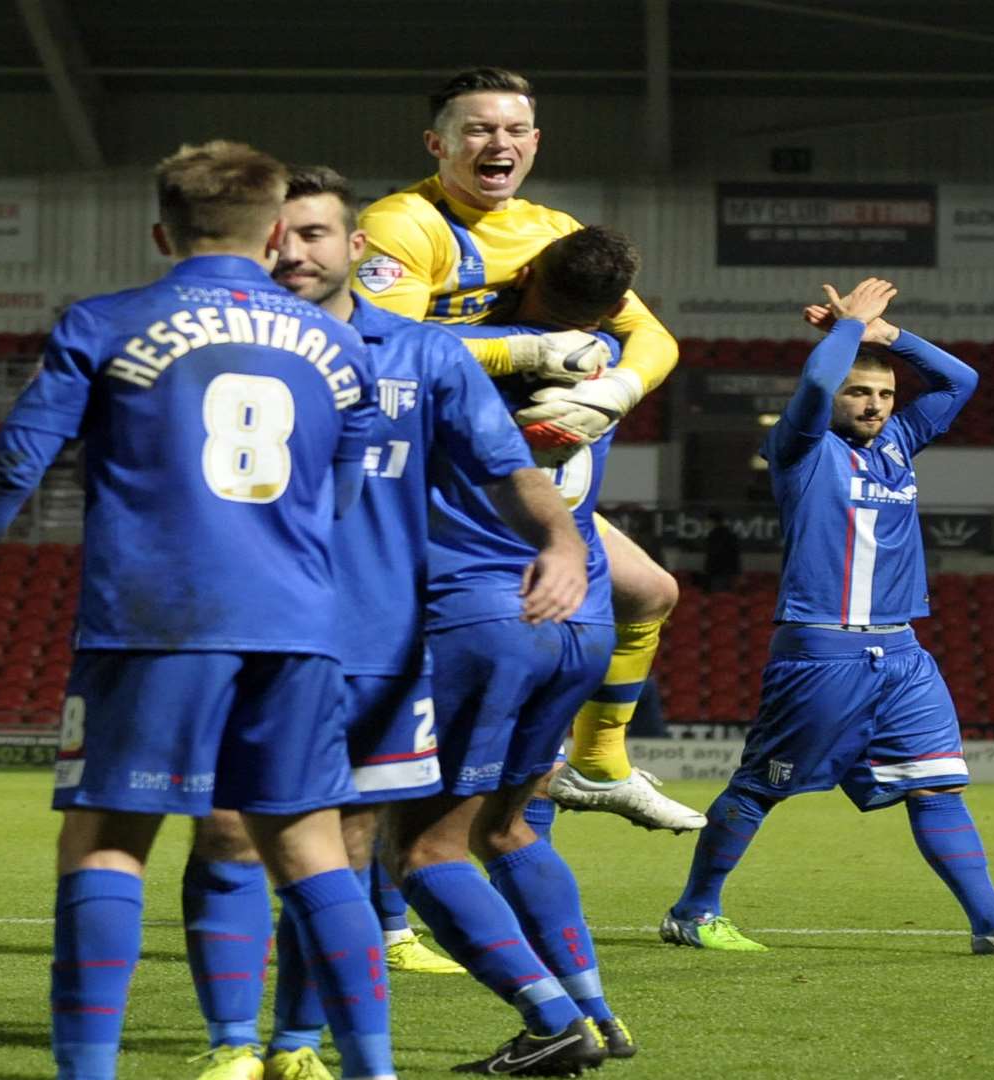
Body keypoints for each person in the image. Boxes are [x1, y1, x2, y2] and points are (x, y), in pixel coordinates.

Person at [0, 142, 398, 1080]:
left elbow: (13, 465)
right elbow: (344, 494)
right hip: (298, 621)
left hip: (157, 618)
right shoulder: (343, 344)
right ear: (276, 231)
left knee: (108, 839)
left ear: (163, 231)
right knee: (313, 845)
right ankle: (373, 1069)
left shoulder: (106, 322)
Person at [179, 166, 609, 1080]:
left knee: (347, 847)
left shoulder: (427, 355)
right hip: (246, 635)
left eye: (316, 234)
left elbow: (509, 469)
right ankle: (229, 1048)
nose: (294, 252)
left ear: (357, 247)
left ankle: (297, 1045)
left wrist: (565, 543)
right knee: (224, 829)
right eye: (277, 236)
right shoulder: (218, 351)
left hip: (380, 642)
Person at [660, 278, 994, 956]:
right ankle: (693, 910)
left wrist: (887, 337)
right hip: (825, 650)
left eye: (885, 394)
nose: (876, 405)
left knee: (937, 785)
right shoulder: (801, 450)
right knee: (762, 788)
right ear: (832, 398)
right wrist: (846, 331)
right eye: (860, 392)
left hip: (905, 654)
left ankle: (993, 922)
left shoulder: (899, 443)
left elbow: (961, 381)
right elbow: (817, 381)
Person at [357, 65, 702, 833]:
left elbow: (650, 335)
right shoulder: (403, 225)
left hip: (504, 472)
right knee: (430, 677)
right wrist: (528, 352)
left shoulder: (550, 230)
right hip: (414, 480)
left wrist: (615, 392)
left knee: (649, 592)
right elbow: (384, 346)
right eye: (478, 128)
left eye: (514, 130)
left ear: (536, 142)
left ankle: (600, 765)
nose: (498, 143)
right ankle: (391, 899)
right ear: (437, 142)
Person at [383, 227, 646, 1076]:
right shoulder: (603, 356)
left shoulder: (450, 354)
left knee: (423, 849)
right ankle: (600, 1013)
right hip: (585, 615)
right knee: (511, 829)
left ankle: (551, 1019)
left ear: (526, 273)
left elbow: (382, 333)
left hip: (489, 611)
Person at [701, 511, 742, 592]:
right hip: (729, 573)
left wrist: (707, 571)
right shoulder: (731, 535)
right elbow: (736, 555)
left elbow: (713, 556)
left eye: (707, 521)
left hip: (717, 573)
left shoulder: (714, 536)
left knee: (718, 597)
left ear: (712, 521)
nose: (706, 524)